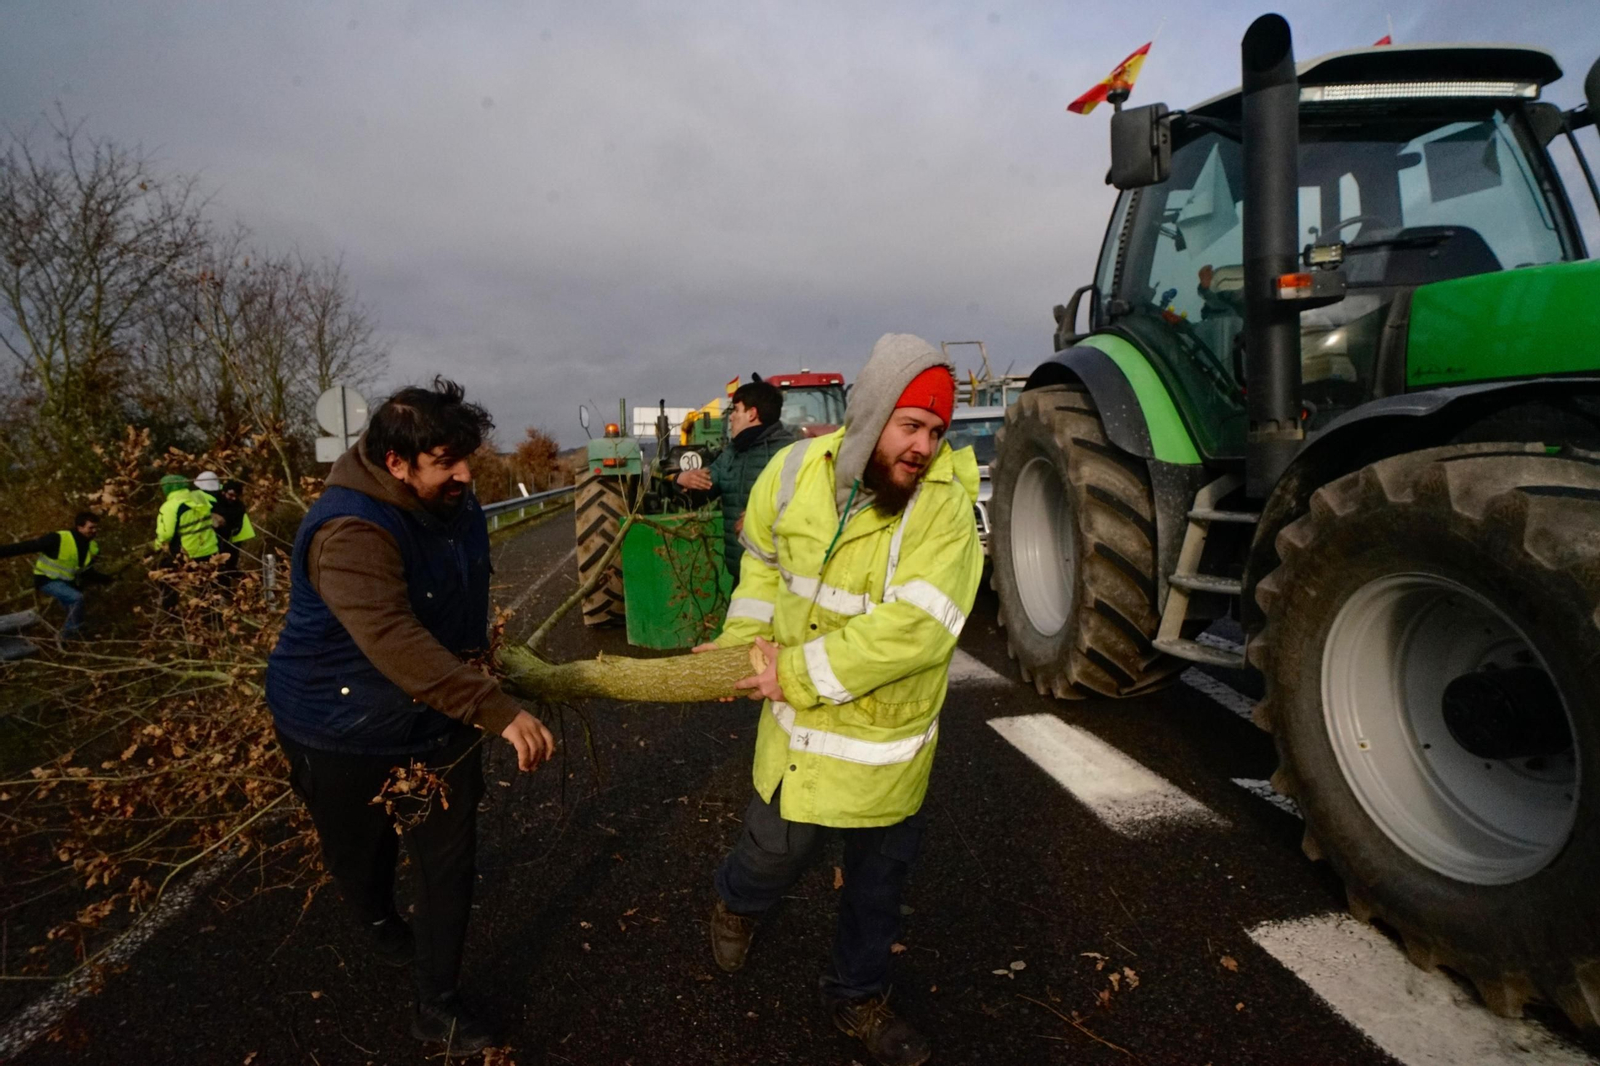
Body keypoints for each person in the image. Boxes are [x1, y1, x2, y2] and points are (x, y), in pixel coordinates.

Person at [700, 334, 982, 1066]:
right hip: (796, 738)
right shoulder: (793, 473)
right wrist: (741, 646)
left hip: (885, 747)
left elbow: (916, 631)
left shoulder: (945, 510)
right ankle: (736, 903)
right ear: (871, 414)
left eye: (937, 431)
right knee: (770, 855)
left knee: (876, 888)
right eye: (911, 425)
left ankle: (857, 998)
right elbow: (761, 569)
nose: (924, 447)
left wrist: (790, 674)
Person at [265, 377, 556, 1054]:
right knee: (361, 857)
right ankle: (377, 921)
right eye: (446, 462)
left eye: (467, 457)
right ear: (396, 463)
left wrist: (479, 663)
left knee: (448, 862)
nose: (465, 473)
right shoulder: (348, 530)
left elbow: (461, 596)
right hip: (339, 728)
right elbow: (393, 638)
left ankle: (438, 1005)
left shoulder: (459, 502)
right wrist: (494, 707)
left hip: (437, 720)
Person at [675, 379, 797, 577]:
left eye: (736, 410)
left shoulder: (791, 453)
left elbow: (806, 508)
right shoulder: (731, 454)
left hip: (782, 576)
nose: (730, 417)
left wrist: (759, 517)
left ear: (752, 414)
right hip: (741, 574)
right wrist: (681, 481)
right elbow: (695, 499)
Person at [0, 511, 112, 639]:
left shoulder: (92, 547)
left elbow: (87, 572)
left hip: (67, 583)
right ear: (79, 527)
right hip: (47, 580)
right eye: (91, 527)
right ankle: (69, 635)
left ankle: (74, 636)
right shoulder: (59, 538)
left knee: (74, 608)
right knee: (76, 598)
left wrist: (107, 579)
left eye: (96, 527)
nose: (94, 531)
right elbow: (27, 547)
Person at [152, 473, 220, 562]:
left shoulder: (170, 506)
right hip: (211, 550)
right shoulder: (199, 497)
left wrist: (156, 545)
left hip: (188, 555)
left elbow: (166, 534)